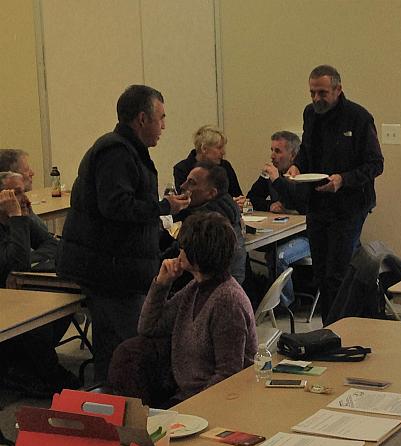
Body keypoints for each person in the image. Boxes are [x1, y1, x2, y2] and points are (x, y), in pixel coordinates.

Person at [57, 84, 190, 382]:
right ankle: (117, 407)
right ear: (142, 119)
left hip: (120, 267)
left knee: (120, 346)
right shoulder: (115, 151)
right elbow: (115, 207)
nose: (164, 126)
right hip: (108, 271)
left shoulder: (128, 149)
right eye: (161, 118)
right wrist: (162, 207)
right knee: (127, 346)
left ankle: (116, 405)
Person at [108, 212, 257, 405]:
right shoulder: (196, 288)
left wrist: (187, 407)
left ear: (197, 255)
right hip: (185, 391)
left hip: (209, 400)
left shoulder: (227, 301)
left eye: (183, 248)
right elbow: (148, 327)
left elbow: (228, 374)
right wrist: (161, 284)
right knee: (129, 352)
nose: (179, 253)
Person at [287, 65, 384, 321]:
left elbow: (376, 164)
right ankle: (330, 325)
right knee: (320, 273)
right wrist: (297, 165)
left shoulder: (359, 118)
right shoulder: (310, 114)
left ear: (338, 90)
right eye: (312, 93)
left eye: (322, 93)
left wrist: (343, 180)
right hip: (318, 203)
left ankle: (339, 327)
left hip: (350, 205)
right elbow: (307, 151)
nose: (317, 99)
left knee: (337, 273)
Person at [0, 171, 78, 395]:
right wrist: (16, 217)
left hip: (18, 291)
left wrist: (31, 257)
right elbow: (18, 264)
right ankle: (42, 370)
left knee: (64, 300)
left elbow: (52, 245)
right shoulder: (14, 219)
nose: (23, 199)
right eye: (15, 194)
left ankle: (30, 366)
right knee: (38, 316)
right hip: (6, 301)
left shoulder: (20, 218)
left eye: (23, 191)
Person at [248, 130, 310, 306]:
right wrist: (269, 206)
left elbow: (301, 205)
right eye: (272, 150)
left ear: (293, 155)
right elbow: (252, 197)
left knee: (279, 256)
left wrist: (277, 181)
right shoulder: (270, 173)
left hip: (307, 235)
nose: (273, 156)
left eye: (278, 151)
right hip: (280, 231)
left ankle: (284, 304)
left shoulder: (303, 175)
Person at [166, 160, 246, 285]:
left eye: (191, 183)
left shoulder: (207, 225)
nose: (182, 186)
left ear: (211, 193)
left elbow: (181, 257)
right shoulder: (228, 212)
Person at [172, 125, 244, 206]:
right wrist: (227, 204)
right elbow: (186, 202)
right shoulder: (182, 169)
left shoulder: (225, 166)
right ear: (204, 149)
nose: (223, 152)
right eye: (219, 148)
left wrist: (240, 202)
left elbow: (237, 194)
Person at [0, 149, 48, 232]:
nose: (32, 173)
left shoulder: (24, 204)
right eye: (26, 170)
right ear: (10, 176)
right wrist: (16, 217)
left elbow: (44, 235)